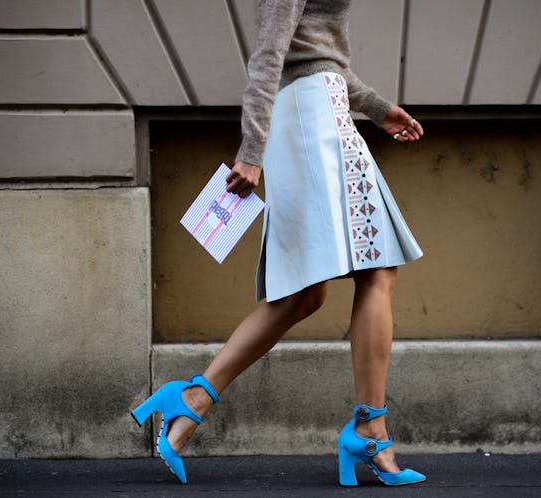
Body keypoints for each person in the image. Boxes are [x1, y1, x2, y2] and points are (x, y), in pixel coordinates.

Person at [132, 0, 426, 487]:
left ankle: (192, 400)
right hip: (312, 121)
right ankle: (370, 428)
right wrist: (251, 152)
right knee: (377, 268)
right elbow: (269, 56)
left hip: (321, 111)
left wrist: (376, 109)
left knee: (303, 295)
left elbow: (315, 55)